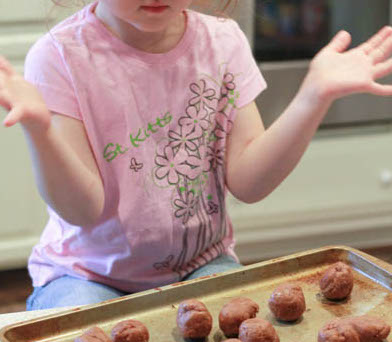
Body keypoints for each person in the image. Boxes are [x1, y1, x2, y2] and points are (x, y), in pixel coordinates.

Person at [1, 1, 392, 310]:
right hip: (86, 275)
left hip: (200, 264)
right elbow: (84, 210)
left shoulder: (223, 43)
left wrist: (313, 97)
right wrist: (41, 130)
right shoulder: (59, 56)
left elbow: (249, 183)